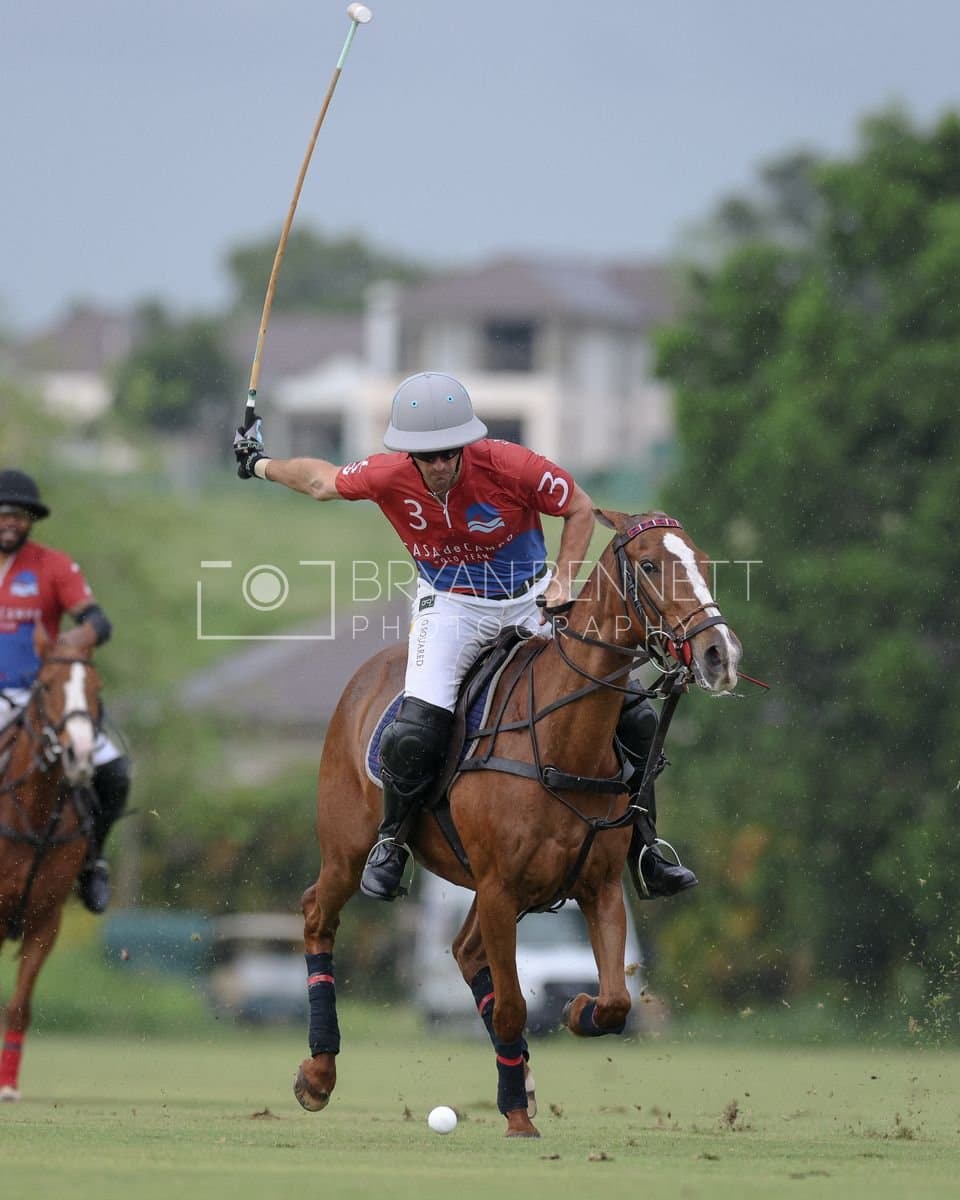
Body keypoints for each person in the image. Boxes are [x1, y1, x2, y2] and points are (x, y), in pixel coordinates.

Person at [233, 372, 695, 902]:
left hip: (529, 598)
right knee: (414, 732)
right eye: (427, 456)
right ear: (408, 454)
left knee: (633, 712)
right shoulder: (387, 476)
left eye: (450, 452)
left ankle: (645, 848)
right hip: (451, 606)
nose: (440, 465)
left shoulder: (509, 464)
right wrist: (260, 463)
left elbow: (579, 508)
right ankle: (392, 841)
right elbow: (321, 481)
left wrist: (564, 578)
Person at [0, 469, 130, 914]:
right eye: (4, 513)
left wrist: (77, 641)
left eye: (20, 514)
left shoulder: (53, 566)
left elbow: (97, 621)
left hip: (44, 701)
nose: (11, 521)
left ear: (31, 520)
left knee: (115, 772)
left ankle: (91, 862)